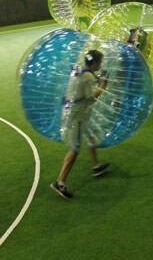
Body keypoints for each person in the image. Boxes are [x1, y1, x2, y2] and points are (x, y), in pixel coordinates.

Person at [50, 50, 111, 199]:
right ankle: (60, 182)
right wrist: (103, 84)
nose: (101, 65)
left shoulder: (80, 70)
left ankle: (96, 165)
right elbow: (92, 99)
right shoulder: (87, 76)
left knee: (90, 134)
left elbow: (85, 83)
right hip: (76, 116)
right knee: (74, 148)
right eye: (99, 62)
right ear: (94, 63)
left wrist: (97, 79)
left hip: (77, 112)